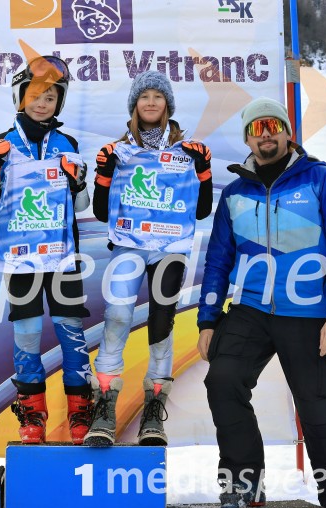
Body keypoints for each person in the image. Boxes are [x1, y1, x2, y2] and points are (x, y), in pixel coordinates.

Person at [197, 97, 326, 508]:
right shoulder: (235, 193)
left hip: (310, 314)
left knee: (317, 408)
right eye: (257, 128)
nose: (266, 134)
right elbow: (218, 260)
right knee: (223, 381)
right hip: (251, 310)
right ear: (247, 138)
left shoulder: (321, 179)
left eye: (273, 126)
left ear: (288, 132)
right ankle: (243, 485)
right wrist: (208, 320)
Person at [83, 70, 214, 446]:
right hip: (129, 244)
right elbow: (103, 212)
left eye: (158, 96)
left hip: (169, 248)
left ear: (168, 105)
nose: (152, 102)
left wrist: (203, 172)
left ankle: (154, 406)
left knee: (162, 320)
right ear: (134, 105)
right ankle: (105, 402)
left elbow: (201, 210)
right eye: (145, 96)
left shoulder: (185, 152)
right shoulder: (120, 150)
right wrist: (104, 174)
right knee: (117, 315)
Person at [0, 55, 93, 445]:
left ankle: (80, 409)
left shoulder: (67, 144)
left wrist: (78, 183)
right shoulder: (2, 144)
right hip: (20, 259)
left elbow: (81, 205)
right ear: (20, 96)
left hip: (61, 257)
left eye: (51, 97)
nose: (43, 103)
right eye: (35, 95)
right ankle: (33, 413)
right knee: (27, 334)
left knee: (71, 331)